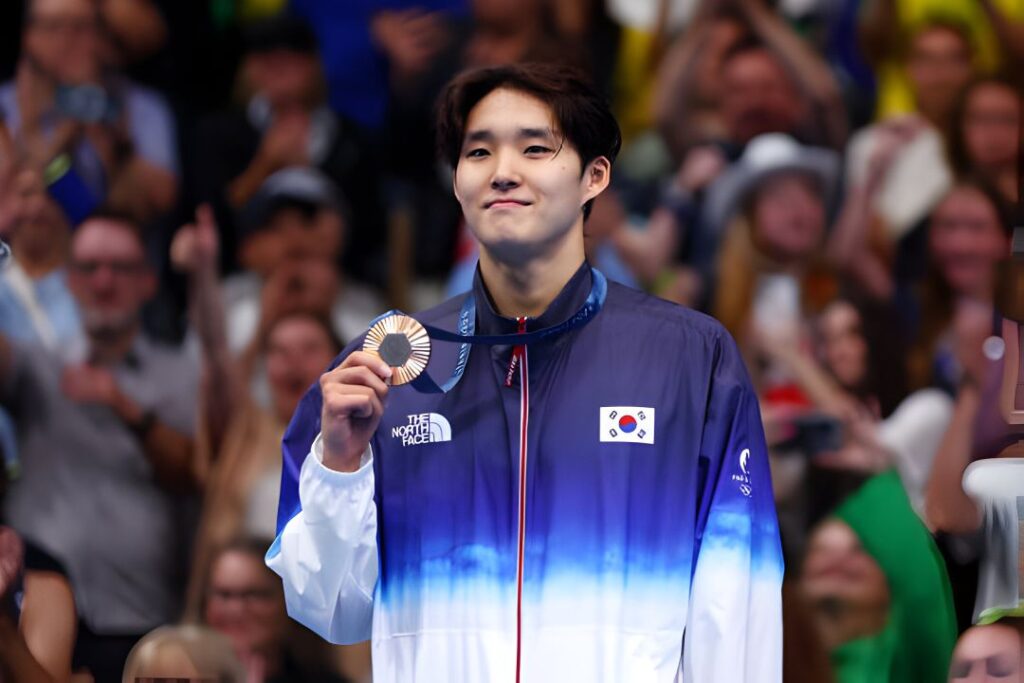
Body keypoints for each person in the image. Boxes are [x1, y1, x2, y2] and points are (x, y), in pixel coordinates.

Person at [267, 63, 783, 681]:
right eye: (478, 151)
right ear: (457, 182)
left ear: (595, 177)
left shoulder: (691, 359)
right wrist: (341, 464)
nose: (502, 171)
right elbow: (332, 612)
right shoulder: (384, 370)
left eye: (535, 148)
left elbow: (737, 603)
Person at [0, 213, 200, 682]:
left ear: (148, 281)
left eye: (120, 267)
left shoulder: (181, 375)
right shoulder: (39, 365)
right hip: (32, 613)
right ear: (69, 280)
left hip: (138, 617)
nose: (104, 281)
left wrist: (124, 406)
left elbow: (190, 475)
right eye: (89, 267)